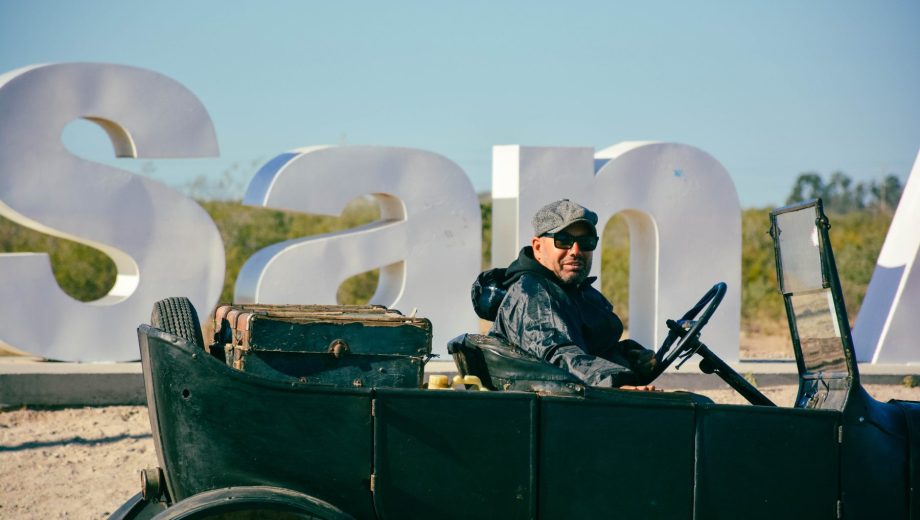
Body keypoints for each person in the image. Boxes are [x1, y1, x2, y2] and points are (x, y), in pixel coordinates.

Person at [472, 199, 657, 389]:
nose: (575, 251)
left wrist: (630, 357)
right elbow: (557, 354)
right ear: (538, 248)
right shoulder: (531, 293)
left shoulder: (574, 293)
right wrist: (617, 383)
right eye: (563, 241)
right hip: (551, 410)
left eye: (586, 242)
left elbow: (588, 350)